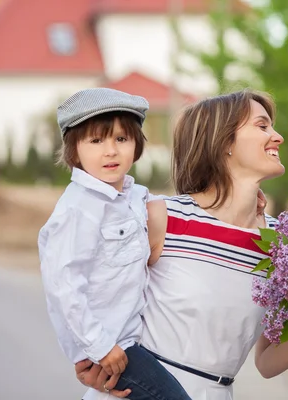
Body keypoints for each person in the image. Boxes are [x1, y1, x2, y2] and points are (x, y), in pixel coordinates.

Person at [74, 90, 288, 400]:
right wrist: (89, 352)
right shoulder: (162, 217)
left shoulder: (284, 245)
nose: (278, 136)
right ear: (224, 141)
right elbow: (86, 284)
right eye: (262, 126)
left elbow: (266, 362)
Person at [38, 88, 192, 400]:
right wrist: (100, 346)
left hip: (137, 337)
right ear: (74, 150)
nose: (110, 151)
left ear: (136, 146)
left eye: (121, 139)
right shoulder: (77, 210)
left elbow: (182, 208)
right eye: (96, 141)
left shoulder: (136, 196)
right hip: (112, 347)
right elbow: (64, 286)